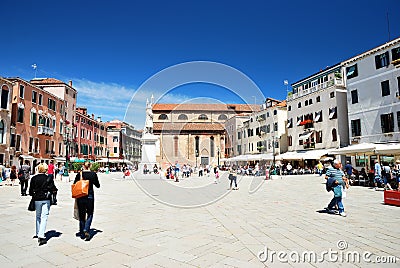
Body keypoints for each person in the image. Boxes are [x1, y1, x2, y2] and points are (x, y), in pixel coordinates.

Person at [29, 164, 58, 246]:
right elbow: (53, 189)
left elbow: (30, 191)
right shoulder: (48, 178)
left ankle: (38, 232)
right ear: (45, 170)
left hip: (37, 199)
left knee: (38, 216)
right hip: (46, 199)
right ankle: (41, 236)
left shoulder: (34, 178)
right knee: (44, 217)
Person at [73, 161, 100, 241]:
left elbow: (75, 184)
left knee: (82, 214)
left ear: (83, 166)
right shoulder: (93, 174)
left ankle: (82, 232)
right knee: (90, 213)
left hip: (81, 196)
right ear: (90, 166)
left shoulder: (79, 174)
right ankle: (86, 228)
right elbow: (98, 185)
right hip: (90, 196)